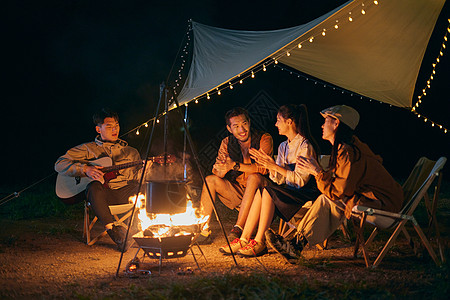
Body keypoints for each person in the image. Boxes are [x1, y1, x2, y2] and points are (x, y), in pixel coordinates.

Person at [265, 104, 404, 262]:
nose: (322, 125)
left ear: (336, 124)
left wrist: (317, 172)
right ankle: (295, 244)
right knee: (328, 200)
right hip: (378, 200)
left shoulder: (349, 153)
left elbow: (338, 191)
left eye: (326, 121)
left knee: (329, 200)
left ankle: (295, 245)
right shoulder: (345, 148)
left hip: (385, 205)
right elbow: (340, 185)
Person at [218, 104, 320, 256]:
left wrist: (275, 166)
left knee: (268, 192)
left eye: (278, 120)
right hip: (290, 192)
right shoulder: (283, 146)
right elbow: (278, 180)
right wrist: (270, 166)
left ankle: (259, 241)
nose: (275, 124)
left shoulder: (304, 146)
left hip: (304, 194)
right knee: (263, 191)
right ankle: (244, 239)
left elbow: (301, 181)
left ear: (289, 122)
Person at [55, 108, 150, 252]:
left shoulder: (131, 152)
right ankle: (115, 233)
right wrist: (85, 169)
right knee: (93, 187)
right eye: (109, 126)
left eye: (116, 125)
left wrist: (145, 171)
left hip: (124, 193)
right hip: (101, 196)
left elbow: (136, 179)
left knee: (148, 187)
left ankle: (142, 230)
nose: (114, 129)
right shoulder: (88, 149)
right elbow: (59, 163)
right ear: (98, 129)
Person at [198, 107, 273, 243]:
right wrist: (220, 170)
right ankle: (203, 230)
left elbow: (264, 169)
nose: (242, 130)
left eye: (244, 124)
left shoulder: (264, 138)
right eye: (236, 126)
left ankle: (238, 228)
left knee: (253, 177)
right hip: (238, 192)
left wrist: (234, 165)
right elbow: (218, 170)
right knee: (210, 180)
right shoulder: (227, 143)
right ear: (229, 128)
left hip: (261, 193)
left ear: (249, 122)